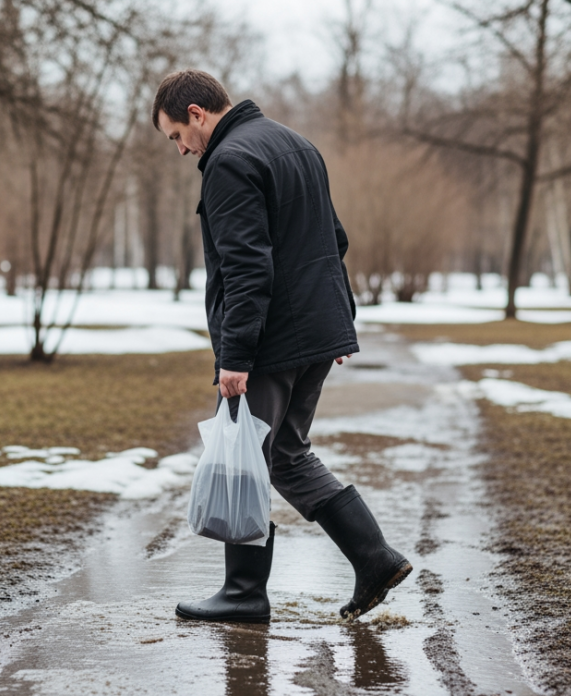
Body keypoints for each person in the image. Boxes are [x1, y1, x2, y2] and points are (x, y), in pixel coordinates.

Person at [153, 69, 412, 624]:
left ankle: (244, 593)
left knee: (247, 460)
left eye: (177, 135)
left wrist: (235, 358)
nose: (180, 149)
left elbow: (248, 267)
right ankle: (374, 559)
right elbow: (332, 240)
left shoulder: (228, 161)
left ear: (197, 113)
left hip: (269, 341)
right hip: (312, 333)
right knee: (285, 454)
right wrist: (336, 323)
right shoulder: (296, 144)